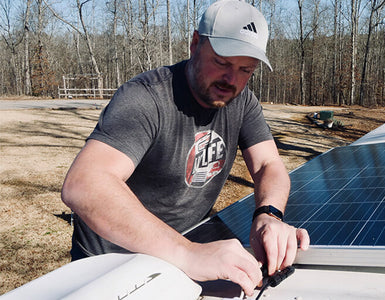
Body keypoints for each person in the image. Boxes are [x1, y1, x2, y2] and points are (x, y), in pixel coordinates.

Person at [61, 0, 309, 296]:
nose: (232, 80)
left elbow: (269, 163)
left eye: (246, 69)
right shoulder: (146, 98)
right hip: (112, 268)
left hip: (179, 258)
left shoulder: (242, 103)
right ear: (194, 44)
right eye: (222, 62)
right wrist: (189, 253)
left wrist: (268, 214)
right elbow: (84, 185)